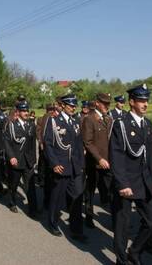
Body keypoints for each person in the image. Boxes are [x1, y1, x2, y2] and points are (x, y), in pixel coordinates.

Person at [109, 84, 152, 265]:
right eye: (141, 100)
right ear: (131, 102)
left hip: (145, 180)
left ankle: (135, 251)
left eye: (146, 100)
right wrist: (122, 183)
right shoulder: (120, 124)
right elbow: (116, 156)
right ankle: (121, 260)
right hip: (127, 180)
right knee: (123, 225)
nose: (145, 104)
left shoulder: (147, 124)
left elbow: (150, 155)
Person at [44, 94, 87, 242]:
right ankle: (53, 223)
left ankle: (76, 230)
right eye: (70, 105)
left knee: (77, 197)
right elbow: (48, 144)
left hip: (75, 167)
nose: (73, 108)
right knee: (57, 197)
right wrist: (54, 164)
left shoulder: (76, 122)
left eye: (75, 105)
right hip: (61, 166)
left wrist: (81, 165)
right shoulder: (53, 121)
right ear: (63, 106)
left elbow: (79, 145)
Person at [82, 93, 113, 229]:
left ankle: (116, 220)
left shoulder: (109, 119)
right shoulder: (89, 119)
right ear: (97, 103)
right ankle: (89, 216)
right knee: (90, 190)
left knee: (111, 191)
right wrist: (99, 159)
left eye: (108, 104)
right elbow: (87, 142)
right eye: (104, 103)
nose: (107, 106)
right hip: (93, 162)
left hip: (108, 162)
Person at [4, 101, 38, 217]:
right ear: (17, 112)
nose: (26, 113)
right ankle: (12, 202)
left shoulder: (31, 124)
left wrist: (34, 159)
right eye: (23, 111)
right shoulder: (11, 125)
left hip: (28, 160)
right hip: (16, 160)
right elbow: (7, 143)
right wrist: (11, 157)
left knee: (30, 186)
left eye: (27, 110)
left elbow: (33, 143)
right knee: (14, 184)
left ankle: (33, 209)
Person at [36, 103, 56, 208]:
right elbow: (39, 132)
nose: (51, 111)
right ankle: (41, 181)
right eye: (50, 109)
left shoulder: (56, 118)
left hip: (55, 150)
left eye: (53, 109)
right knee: (44, 167)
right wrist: (40, 142)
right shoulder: (41, 119)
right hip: (44, 147)